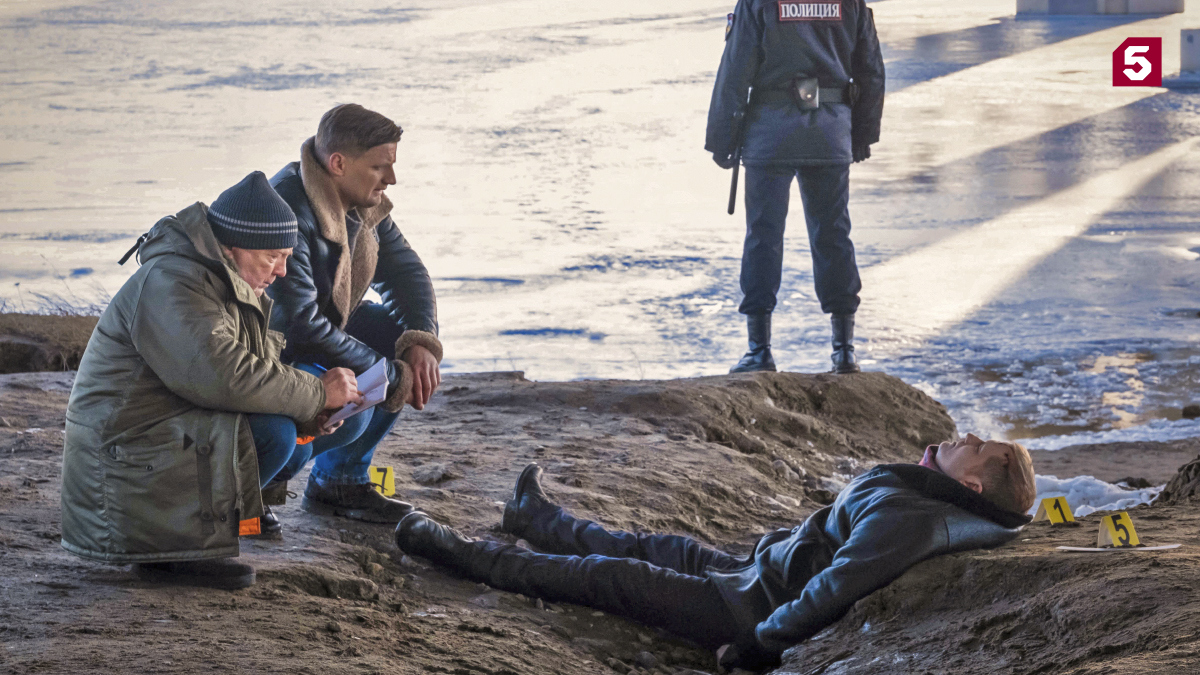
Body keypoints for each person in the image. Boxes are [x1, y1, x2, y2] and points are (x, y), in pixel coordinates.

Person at [395, 434, 1036, 672]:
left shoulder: (916, 522)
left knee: (608, 575)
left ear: (972, 485)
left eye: (974, 445)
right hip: (754, 570)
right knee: (653, 546)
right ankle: (533, 518)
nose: (963, 436)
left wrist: (758, 645)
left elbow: (836, 586)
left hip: (746, 607)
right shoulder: (928, 497)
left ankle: (460, 553)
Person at [61, 171, 364, 589]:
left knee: (297, 426)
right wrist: (315, 392)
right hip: (123, 455)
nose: (282, 271)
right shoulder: (174, 281)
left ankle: (200, 535)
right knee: (273, 433)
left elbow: (251, 371)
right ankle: (177, 550)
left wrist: (313, 414)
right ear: (233, 246)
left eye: (287, 257)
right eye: (273, 256)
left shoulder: (227, 280)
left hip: (163, 433)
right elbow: (222, 376)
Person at [266, 103, 443, 523]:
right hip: (272, 353)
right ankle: (258, 484)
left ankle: (340, 481)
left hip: (316, 332)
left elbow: (405, 272)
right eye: (380, 167)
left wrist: (421, 340)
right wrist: (389, 375)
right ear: (339, 163)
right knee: (351, 412)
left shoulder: (361, 204)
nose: (392, 178)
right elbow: (299, 326)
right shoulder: (287, 209)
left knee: (400, 339)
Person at [707, 0, 885, 374]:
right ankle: (844, 351)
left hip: (770, 135)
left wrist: (722, 139)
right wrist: (861, 135)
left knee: (763, 236)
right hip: (830, 133)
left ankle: (759, 350)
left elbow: (735, 71)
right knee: (833, 234)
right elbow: (870, 71)